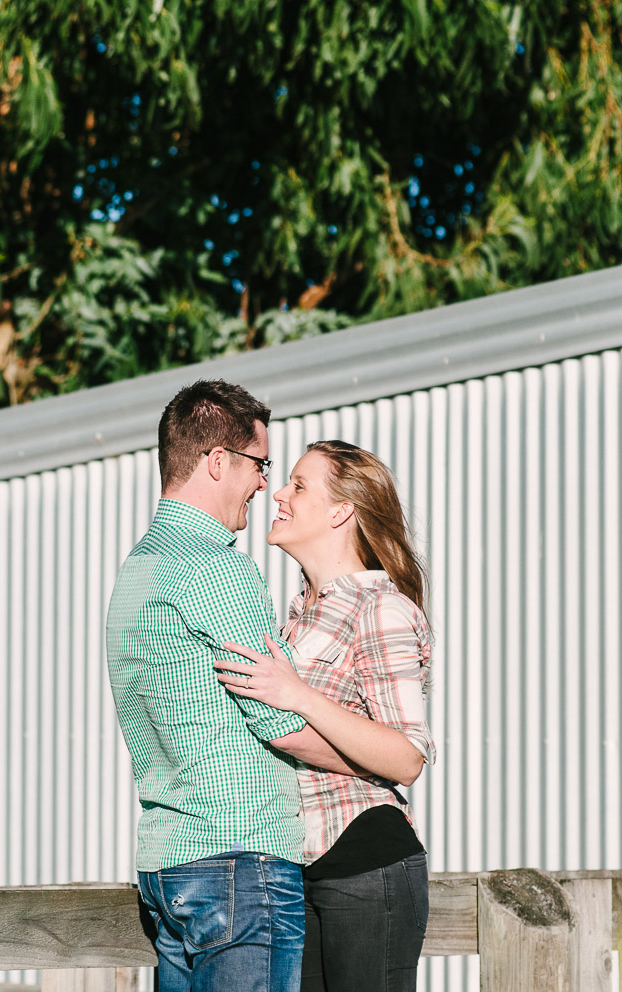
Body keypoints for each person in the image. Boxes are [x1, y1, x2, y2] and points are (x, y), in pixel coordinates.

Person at [107, 379, 330, 992]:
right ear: (216, 462)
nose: (265, 484)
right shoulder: (214, 566)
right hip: (237, 859)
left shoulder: (138, 570)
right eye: (260, 465)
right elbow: (281, 720)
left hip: (168, 863)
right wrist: (379, 758)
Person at [214, 440, 436, 992]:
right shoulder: (294, 615)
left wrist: (300, 696)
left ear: (341, 512)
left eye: (298, 485)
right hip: (297, 864)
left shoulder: (379, 606)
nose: (278, 494)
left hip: (364, 859)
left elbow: (406, 757)